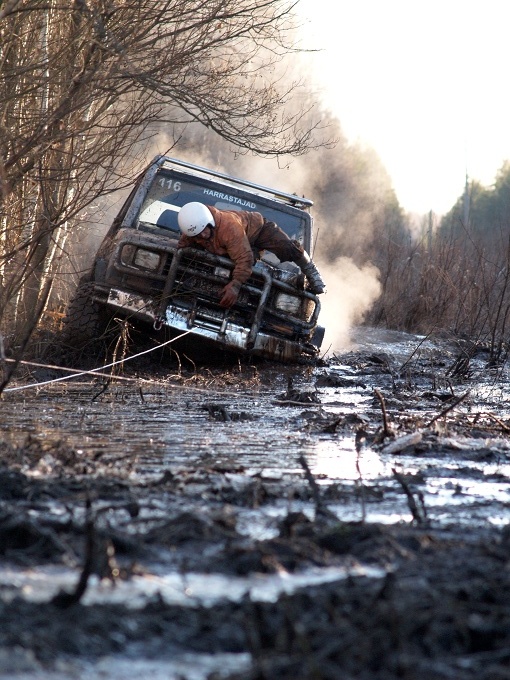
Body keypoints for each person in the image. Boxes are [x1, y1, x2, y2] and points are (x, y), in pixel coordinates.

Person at [177, 202, 325, 308]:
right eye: (198, 235)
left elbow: (244, 258)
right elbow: (181, 249)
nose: (203, 235)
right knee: (231, 266)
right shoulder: (192, 230)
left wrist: (235, 286)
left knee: (286, 247)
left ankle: (311, 271)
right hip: (233, 247)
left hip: (257, 231)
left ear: (209, 222)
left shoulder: (229, 227)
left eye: (205, 230)